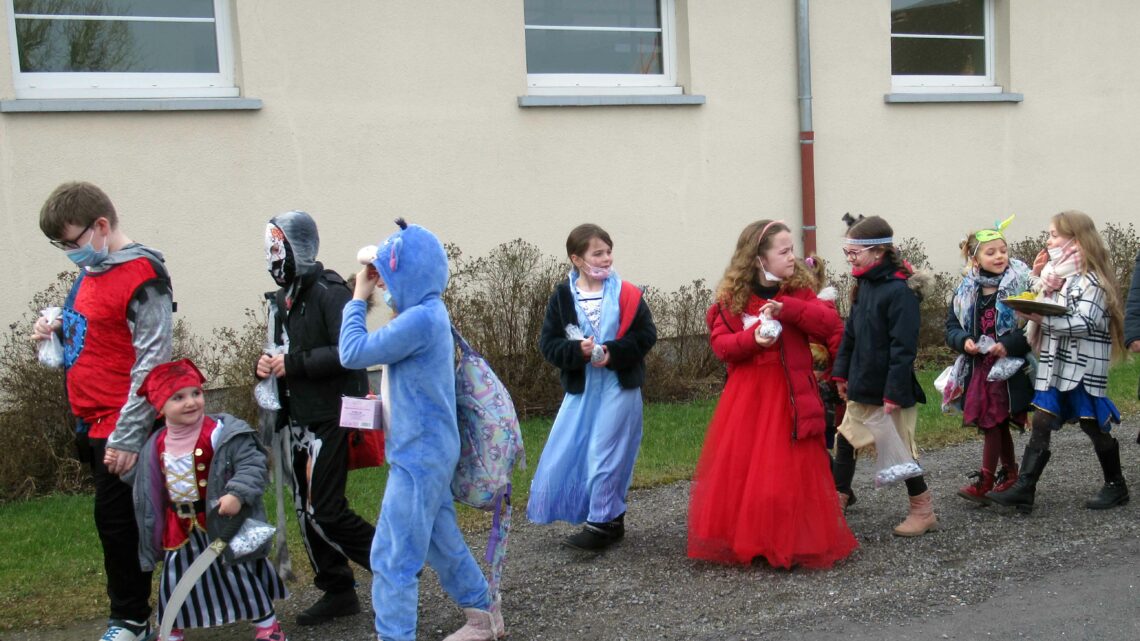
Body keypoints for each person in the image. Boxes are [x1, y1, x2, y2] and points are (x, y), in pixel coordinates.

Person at [339, 220, 504, 641]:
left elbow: (352, 352)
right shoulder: (428, 312)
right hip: (426, 451)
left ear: (407, 275)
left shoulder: (418, 321)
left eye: (389, 275)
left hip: (418, 456)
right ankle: (484, 616)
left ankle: (395, 636)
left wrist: (359, 298)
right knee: (439, 540)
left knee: (392, 556)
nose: (385, 285)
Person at [32, 181, 173, 641]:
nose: (69, 253)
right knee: (113, 526)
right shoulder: (92, 271)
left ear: (101, 226)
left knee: (123, 527)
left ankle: (131, 620)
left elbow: (152, 361)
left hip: (123, 425)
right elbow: (94, 334)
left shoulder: (142, 276)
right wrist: (54, 325)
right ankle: (136, 616)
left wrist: (129, 436)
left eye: (71, 243)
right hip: (92, 422)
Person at [687, 220, 856, 567]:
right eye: (784, 251)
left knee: (791, 472)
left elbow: (830, 327)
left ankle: (792, 539)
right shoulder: (732, 300)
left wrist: (788, 310)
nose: (793, 257)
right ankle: (754, 538)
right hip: (749, 400)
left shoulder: (798, 292)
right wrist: (753, 340)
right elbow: (723, 347)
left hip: (793, 395)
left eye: (792, 249)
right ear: (758, 258)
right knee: (753, 472)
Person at [256, 211, 375, 625]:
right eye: (268, 248)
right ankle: (337, 588)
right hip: (298, 420)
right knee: (306, 510)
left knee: (326, 508)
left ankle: (391, 563)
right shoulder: (283, 300)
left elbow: (351, 352)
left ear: (298, 246)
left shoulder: (330, 292)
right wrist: (267, 366)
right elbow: (282, 351)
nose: (272, 257)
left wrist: (296, 363)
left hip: (333, 416)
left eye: (278, 247)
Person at [132, 359, 288, 641]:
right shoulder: (155, 445)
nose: (191, 402)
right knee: (175, 581)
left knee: (238, 575)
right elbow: (147, 487)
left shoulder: (221, 433)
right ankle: (171, 630)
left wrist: (237, 494)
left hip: (221, 523)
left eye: (196, 393)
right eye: (178, 397)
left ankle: (268, 626)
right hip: (178, 529)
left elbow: (253, 463)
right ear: (160, 407)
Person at [528, 223, 658, 551]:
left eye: (608, 251)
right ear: (577, 259)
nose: (605, 258)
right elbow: (549, 344)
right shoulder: (562, 298)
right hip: (582, 390)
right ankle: (611, 518)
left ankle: (600, 523)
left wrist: (614, 352)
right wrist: (577, 352)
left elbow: (646, 335)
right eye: (597, 253)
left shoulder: (627, 294)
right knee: (572, 452)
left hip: (618, 385)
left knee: (606, 451)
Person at [988, 210, 1128, 512]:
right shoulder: (1057, 275)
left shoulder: (1092, 281)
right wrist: (1036, 277)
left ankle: (1116, 485)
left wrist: (1038, 317)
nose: (1048, 240)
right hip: (1054, 365)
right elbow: (1045, 297)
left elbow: (1083, 323)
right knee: (1041, 419)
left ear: (1075, 240)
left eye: (1053, 235)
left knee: (1093, 425)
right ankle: (1025, 488)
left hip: (1083, 367)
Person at [831, 214, 938, 537]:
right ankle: (835, 504)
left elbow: (902, 348)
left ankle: (923, 510)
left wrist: (892, 393)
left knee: (899, 450)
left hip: (891, 391)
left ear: (877, 252)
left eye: (854, 253)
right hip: (863, 384)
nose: (849, 259)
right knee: (846, 440)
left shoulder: (900, 293)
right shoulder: (864, 286)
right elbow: (850, 335)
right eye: (846, 253)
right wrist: (841, 373)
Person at [944, 218, 1034, 503]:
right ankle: (1009, 474)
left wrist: (1006, 344)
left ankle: (986, 479)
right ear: (975, 259)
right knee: (994, 421)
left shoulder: (1019, 286)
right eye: (991, 252)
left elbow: (1031, 329)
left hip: (1007, 370)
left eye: (1003, 250)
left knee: (993, 421)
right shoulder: (966, 291)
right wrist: (963, 341)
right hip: (978, 369)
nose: (999, 256)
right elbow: (951, 328)